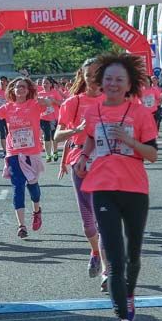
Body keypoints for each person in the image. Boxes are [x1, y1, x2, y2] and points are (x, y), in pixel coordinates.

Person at [74, 53, 159, 321]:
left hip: (135, 189)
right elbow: (88, 137)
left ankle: (130, 294)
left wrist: (128, 140)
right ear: (101, 81)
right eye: (108, 78)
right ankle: (122, 318)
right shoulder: (92, 110)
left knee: (133, 256)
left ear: (128, 85)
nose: (112, 84)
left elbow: (153, 155)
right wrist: (83, 157)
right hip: (102, 187)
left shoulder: (140, 113)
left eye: (118, 80)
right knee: (115, 257)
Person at [55, 61, 108, 291]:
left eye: (97, 74)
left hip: (107, 161)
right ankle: (95, 250)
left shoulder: (114, 99)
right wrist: (77, 129)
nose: (93, 79)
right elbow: (57, 135)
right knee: (89, 225)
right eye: (89, 75)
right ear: (83, 77)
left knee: (104, 219)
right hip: (81, 162)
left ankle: (107, 271)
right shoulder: (73, 103)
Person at [0, 77, 53, 239]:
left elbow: (49, 102)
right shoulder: (7, 107)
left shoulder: (34, 104)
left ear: (28, 90)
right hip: (13, 152)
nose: (20, 89)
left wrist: (46, 100)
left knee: (32, 186)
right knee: (18, 186)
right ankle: (21, 225)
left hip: (31, 152)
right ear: (12, 90)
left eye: (23, 87)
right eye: (17, 87)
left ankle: (36, 210)